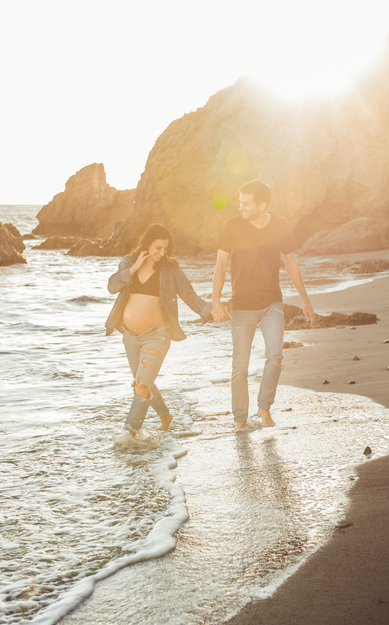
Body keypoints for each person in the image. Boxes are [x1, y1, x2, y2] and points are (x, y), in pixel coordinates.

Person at [211, 179, 315, 430]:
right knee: (240, 367)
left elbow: (291, 263)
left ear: (262, 204)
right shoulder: (232, 226)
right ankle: (240, 420)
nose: (241, 207)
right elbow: (221, 265)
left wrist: (306, 301)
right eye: (240, 202)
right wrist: (215, 302)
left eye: (246, 203)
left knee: (275, 355)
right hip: (241, 306)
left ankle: (264, 407)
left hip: (272, 303)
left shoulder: (280, 226)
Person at [106, 224, 212, 436]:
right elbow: (112, 286)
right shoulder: (128, 262)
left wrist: (212, 310)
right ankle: (165, 415)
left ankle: (130, 434)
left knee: (142, 386)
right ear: (147, 244)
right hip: (130, 336)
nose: (162, 253)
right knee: (141, 382)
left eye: (165, 248)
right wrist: (134, 269)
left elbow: (189, 295)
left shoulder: (170, 268)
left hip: (157, 335)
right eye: (158, 248)